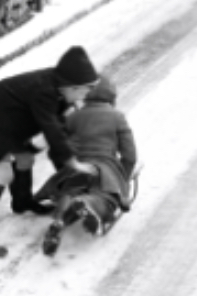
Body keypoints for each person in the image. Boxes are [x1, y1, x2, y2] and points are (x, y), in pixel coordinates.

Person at [0, 45, 100, 258]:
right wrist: (71, 163)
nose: (86, 95)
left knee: (24, 159)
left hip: (15, 120)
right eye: (85, 90)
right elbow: (52, 130)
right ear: (71, 87)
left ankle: (22, 202)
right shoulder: (45, 91)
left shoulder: (58, 87)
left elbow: (57, 128)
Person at [35, 75, 138, 257]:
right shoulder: (116, 117)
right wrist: (123, 179)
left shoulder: (74, 117)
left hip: (79, 166)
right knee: (105, 195)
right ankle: (89, 204)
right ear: (111, 95)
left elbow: (60, 147)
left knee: (71, 189)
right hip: (104, 167)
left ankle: (60, 220)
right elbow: (129, 155)